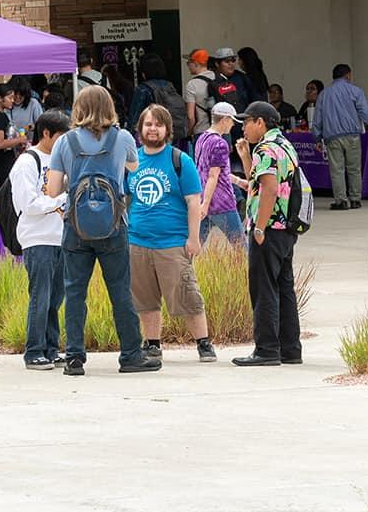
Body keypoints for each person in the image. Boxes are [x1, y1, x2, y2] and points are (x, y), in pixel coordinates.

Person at [45, 84, 160, 376]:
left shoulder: (65, 142)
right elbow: (133, 168)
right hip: (113, 226)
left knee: (74, 293)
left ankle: (74, 358)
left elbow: (53, 190)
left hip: (76, 228)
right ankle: (131, 355)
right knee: (120, 291)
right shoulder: (122, 138)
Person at [127, 104, 217, 363]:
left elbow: (193, 201)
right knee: (145, 299)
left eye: (158, 124)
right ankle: (152, 344)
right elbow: (126, 198)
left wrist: (193, 238)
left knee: (187, 296)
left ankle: (203, 343)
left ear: (167, 129)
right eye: (148, 124)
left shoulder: (180, 160)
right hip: (138, 242)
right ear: (140, 128)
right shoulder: (132, 161)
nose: (152, 129)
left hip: (173, 242)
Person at [232, 101, 303, 367]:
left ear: (260, 122)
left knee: (263, 288)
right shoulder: (285, 145)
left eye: (246, 122)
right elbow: (261, 181)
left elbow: (270, 189)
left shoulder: (265, 148)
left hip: (269, 228)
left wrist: (259, 227)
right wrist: (245, 158)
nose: (244, 128)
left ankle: (266, 349)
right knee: (284, 287)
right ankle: (290, 349)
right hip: (286, 228)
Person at [10, 110, 71, 369]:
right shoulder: (27, 162)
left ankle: (50, 346)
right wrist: (61, 200)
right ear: (46, 134)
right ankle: (33, 350)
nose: (65, 142)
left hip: (61, 237)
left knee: (56, 297)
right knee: (40, 295)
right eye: (61, 136)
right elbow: (28, 203)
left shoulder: (64, 161)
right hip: (38, 238)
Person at [311, 64, 368, 210]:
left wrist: (317, 137)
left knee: (337, 169)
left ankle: (341, 201)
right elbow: (365, 113)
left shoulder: (324, 94)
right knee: (354, 168)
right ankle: (356, 199)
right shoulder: (355, 91)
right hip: (352, 135)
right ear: (348, 75)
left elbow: (317, 118)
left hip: (332, 137)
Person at [194, 102, 247, 247]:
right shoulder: (220, 143)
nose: (233, 125)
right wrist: (206, 204)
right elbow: (214, 175)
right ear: (224, 120)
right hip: (222, 203)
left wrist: (239, 182)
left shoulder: (201, 139)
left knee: (194, 246)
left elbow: (210, 172)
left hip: (203, 198)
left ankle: (181, 270)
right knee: (241, 247)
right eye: (232, 121)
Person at [128, 53, 188, 149]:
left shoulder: (143, 89)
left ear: (144, 72)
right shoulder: (170, 86)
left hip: (150, 138)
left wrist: (129, 137)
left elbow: (134, 117)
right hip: (171, 136)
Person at [183, 48, 215, 140]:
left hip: (202, 132)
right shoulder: (217, 78)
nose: (188, 66)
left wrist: (189, 132)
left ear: (195, 63)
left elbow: (190, 117)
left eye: (189, 63)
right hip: (219, 131)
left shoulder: (192, 85)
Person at [209, 48, 254, 112]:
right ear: (217, 64)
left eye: (233, 61)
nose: (231, 64)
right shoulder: (213, 80)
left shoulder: (242, 77)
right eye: (227, 61)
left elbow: (253, 99)